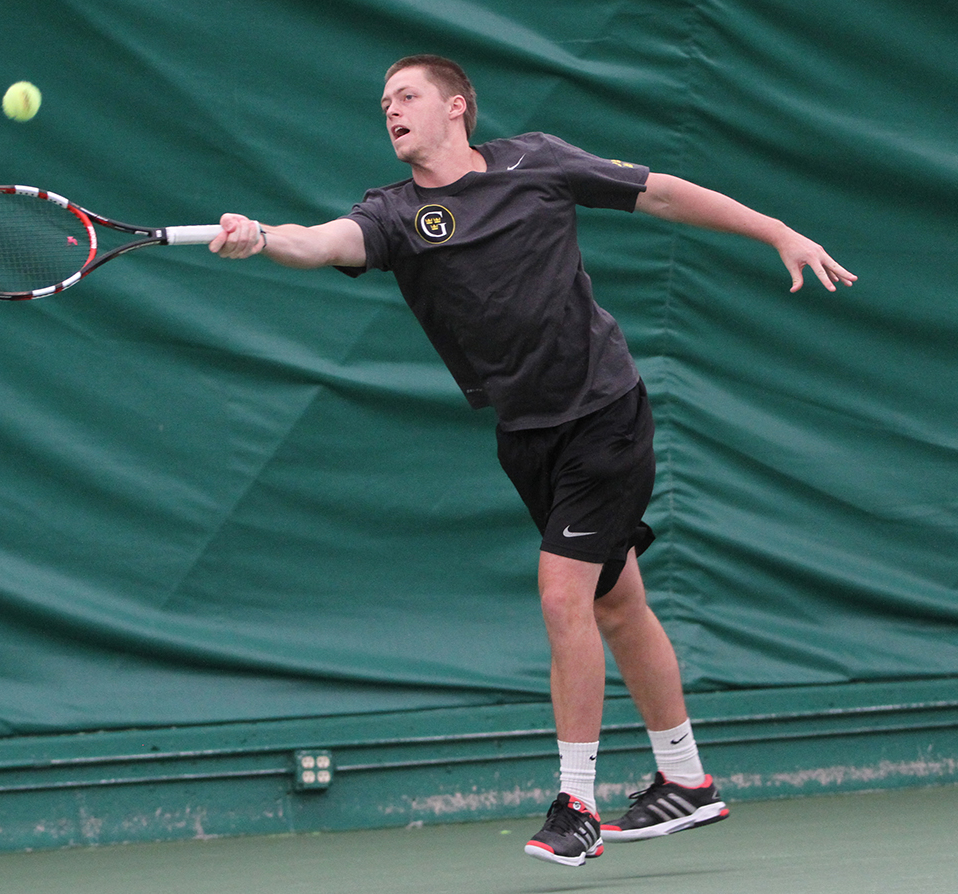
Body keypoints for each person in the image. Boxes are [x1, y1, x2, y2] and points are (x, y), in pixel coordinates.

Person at [210, 54, 855, 867]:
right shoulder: (395, 213)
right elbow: (319, 241)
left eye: (406, 96)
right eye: (382, 103)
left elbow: (657, 190)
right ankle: (686, 781)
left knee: (563, 596)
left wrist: (776, 230)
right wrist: (263, 238)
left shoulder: (535, 163)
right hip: (526, 434)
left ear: (457, 108)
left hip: (604, 412)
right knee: (616, 605)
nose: (391, 110)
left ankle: (576, 801)